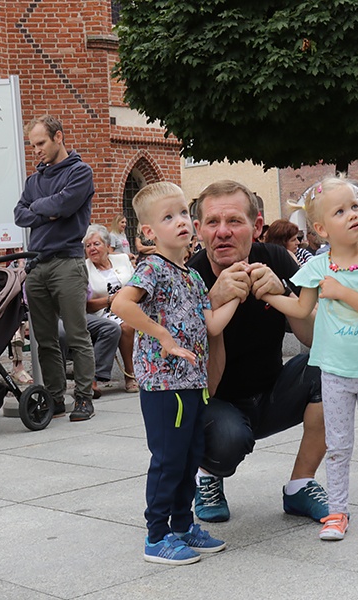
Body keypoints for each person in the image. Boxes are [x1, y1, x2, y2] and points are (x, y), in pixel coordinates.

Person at [262, 177, 358, 541]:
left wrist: (340, 292)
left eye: (354, 206)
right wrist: (270, 296)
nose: (353, 215)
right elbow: (300, 306)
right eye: (340, 211)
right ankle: (337, 512)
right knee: (338, 446)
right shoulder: (316, 268)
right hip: (335, 372)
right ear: (322, 229)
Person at [187, 179, 329, 524]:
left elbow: (317, 339)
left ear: (257, 226)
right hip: (214, 402)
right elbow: (197, 380)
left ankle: (299, 485)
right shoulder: (190, 276)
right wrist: (211, 303)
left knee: (330, 370)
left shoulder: (276, 259)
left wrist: (285, 295)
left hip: (270, 392)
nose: (223, 232)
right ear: (198, 230)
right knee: (230, 437)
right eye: (212, 223)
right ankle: (207, 475)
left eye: (234, 221)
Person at [112, 181, 239, 565]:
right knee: (168, 459)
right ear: (149, 232)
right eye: (169, 217)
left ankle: (183, 526)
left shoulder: (194, 276)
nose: (181, 221)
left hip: (192, 384)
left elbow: (212, 325)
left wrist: (236, 291)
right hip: (163, 384)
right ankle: (156, 536)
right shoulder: (152, 268)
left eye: (184, 213)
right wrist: (163, 336)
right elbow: (122, 304)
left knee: (189, 458)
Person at [13, 115, 97, 422]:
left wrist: (43, 209)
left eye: (41, 143)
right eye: (32, 144)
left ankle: (85, 398)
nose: (36, 150)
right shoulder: (33, 181)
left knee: (77, 334)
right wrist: (44, 210)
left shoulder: (80, 172)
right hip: (36, 265)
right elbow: (19, 215)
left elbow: (64, 206)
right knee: (45, 339)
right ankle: (55, 397)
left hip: (68, 262)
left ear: (58, 137)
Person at [84, 224, 137, 392]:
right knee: (126, 326)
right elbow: (85, 305)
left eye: (96, 244)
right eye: (88, 245)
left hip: (132, 305)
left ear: (107, 246)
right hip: (104, 312)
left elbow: (136, 283)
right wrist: (110, 300)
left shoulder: (122, 259)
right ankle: (130, 375)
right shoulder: (83, 269)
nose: (92, 248)